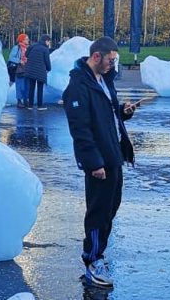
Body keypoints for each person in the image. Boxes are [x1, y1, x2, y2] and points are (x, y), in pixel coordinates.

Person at [63, 36, 137, 289]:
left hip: (113, 156)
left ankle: (98, 254)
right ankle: (92, 260)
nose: (112, 65)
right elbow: (81, 130)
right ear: (96, 56)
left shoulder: (103, 80)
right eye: (110, 60)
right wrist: (93, 163)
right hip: (99, 161)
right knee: (98, 211)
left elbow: (108, 117)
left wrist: (123, 113)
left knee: (111, 208)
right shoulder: (78, 87)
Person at [23, 34, 52, 110]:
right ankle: (40, 105)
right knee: (40, 88)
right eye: (49, 42)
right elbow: (47, 61)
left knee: (31, 88)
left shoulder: (32, 46)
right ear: (46, 41)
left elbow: (26, 54)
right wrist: (49, 69)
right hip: (40, 71)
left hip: (30, 71)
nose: (49, 44)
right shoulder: (45, 49)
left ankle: (30, 105)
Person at [8, 33, 30, 108]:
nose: (28, 40)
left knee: (27, 85)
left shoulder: (29, 48)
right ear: (22, 40)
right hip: (19, 69)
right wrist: (19, 61)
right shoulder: (16, 48)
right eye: (26, 39)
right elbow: (11, 57)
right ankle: (19, 101)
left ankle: (26, 100)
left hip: (27, 69)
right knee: (20, 85)